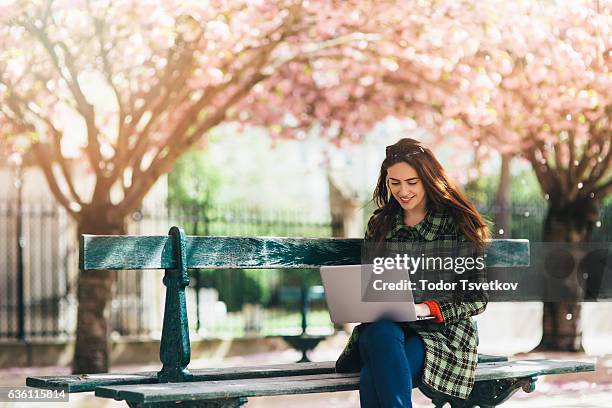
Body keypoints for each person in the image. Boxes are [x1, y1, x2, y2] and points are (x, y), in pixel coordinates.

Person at [335, 138, 490, 407]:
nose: (402, 191)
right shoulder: (381, 224)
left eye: (411, 182)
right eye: (394, 183)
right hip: (385, 329)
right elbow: (372, 284)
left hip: (442, 334)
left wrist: (423, 308)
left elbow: (476, 297)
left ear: (428, 179)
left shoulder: (458, 224)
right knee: (381, 334)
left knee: (373, 375)